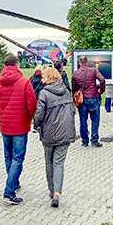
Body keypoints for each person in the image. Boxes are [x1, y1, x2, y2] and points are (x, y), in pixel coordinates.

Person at [0, 54, 37, 205]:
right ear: (17, 65)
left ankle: (13, 182)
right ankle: (9, 192)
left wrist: (2, 114)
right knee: (17, 158)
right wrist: (30, 117)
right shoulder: (24, 83)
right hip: (20, 126)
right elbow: (32, 105)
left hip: (5, 126)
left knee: (8, 156)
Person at [33, 67, 76, 208]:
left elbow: (39, 115)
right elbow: (72, 111)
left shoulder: (44, 93)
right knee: (59, 163)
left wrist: (36, 125)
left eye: (44, 77)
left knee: (49, 163)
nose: (42, 79)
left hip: (49, 134)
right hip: (65, 133)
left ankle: (51, 191)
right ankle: (57, 192)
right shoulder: (66, 92)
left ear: (50, 78)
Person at [72, 56, 106, 148]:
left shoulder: (75, 73)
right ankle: (94, 141)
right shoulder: (94, 70)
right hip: (93, 98)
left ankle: (84, 141)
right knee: (95, 120)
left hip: (82, 100)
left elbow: (74, 88)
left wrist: (76, 97)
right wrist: (101, 90)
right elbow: (102, 80)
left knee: (83, 120)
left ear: (79, 62)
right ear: (87, 62)